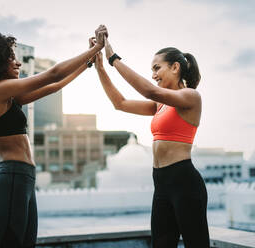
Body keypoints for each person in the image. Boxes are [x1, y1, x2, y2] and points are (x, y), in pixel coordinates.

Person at [0, 25, 107, 247]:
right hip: (12, 179)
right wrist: (95, 48)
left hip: (23, 180)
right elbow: (53, 73)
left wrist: (87, 63)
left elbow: (55, 85)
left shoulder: (7, 98)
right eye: (10, 58)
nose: (18, 62)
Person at [93, 35, 210, 247]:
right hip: (161, 183)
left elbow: (149, 90)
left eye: (157, 68)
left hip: (184, 181)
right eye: (152, 71)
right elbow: (120, 103)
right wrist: (101, 67)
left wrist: (113, 58)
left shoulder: (191, 96)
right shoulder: (159, 104)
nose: (154, 75)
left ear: (175, 67)